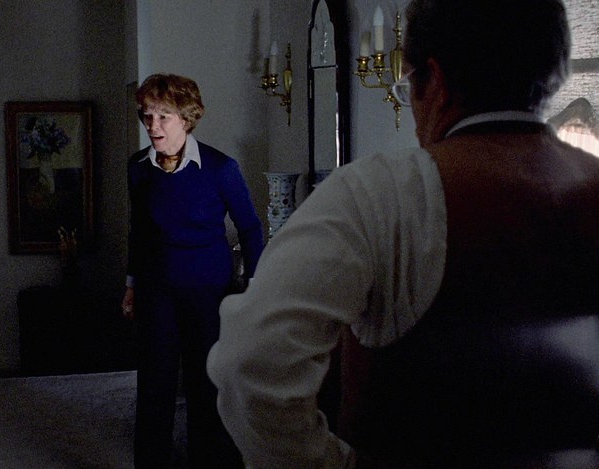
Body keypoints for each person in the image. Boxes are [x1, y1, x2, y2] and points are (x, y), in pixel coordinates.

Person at [207, 0, 599, 467]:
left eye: (409, 82)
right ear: (553, 71)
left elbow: (252, 364)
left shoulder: (379, 192)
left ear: (435, 81)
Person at [122, 73, 264, 468]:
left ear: (187, 118)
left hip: (208, 293)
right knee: (155, 387)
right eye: (147, 115)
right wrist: (131, 284)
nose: (152, 126)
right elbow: (138, 232)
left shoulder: (220, 168)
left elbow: (251, 229)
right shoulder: (138, 168)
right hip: (157, 291)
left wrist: (254, 289)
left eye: (163, 116)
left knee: (207, 387)